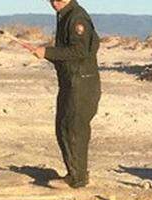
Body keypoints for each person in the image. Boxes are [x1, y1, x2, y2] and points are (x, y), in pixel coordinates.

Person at [28, 0, 101, 190]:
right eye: (50, 0)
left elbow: (80, 50)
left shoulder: (76, 16)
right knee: (64, 126)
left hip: (81, 83)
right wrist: (45, 53)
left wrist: (47, 52)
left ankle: (77, 178)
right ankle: (77, 173)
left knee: (72, 128)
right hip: (72, 82)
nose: (53, 3)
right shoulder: (65, 15)